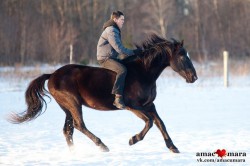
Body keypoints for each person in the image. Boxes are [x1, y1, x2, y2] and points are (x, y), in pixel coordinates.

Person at [97, 11, 142, 109]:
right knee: (122, 70)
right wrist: (134, 52)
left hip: (111, 57)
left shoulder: (114, 29)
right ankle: (117, 98)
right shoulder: (111, 30)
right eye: (121, 20)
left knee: (128, 65)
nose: (123, 22)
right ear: (115, 19)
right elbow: (119, 48)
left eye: (124, 20)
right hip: (105, 59)